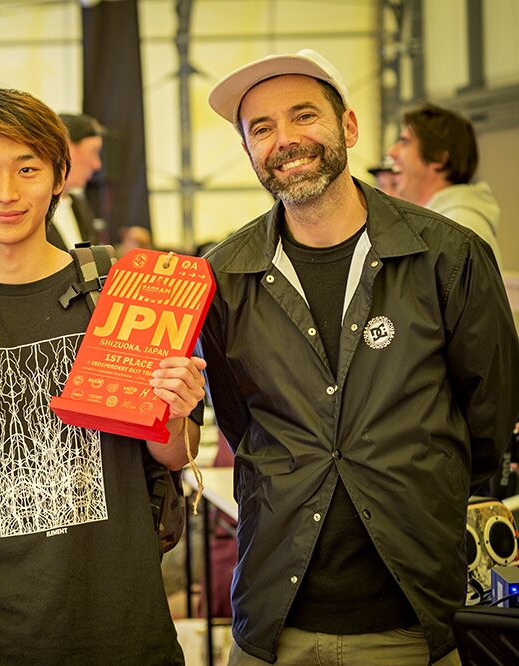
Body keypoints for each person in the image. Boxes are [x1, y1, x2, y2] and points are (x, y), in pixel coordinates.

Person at [203, 49, 519, 665]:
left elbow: (487, 423)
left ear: (348, 126)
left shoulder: (448, 257)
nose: (284, 140)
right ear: (247, 150)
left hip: (414, 624)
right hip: (273, 625)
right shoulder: (225, 276)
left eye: (303, 116)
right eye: (261, 128)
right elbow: (240, 425)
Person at [0, 87, 206, 664]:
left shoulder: (125, 294)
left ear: (59, 177)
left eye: (27, 169)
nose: (6, 192)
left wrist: (175, 411)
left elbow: (176, 454)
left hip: (122, 629)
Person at [387, 101, 503, 269]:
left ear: (438, 158)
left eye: (405, 142)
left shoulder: (459, 228)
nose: (391, 152)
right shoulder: (438, 225)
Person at [46, 112, 106, 248]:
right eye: (93, 151)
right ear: (66, 148)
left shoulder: (79, 206)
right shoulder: (34, 213)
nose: (97, 164)